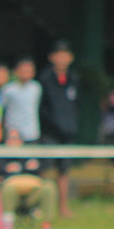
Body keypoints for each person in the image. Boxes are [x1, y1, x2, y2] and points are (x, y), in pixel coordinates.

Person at [38, 39, 79, 217]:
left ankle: (63, 207)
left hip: (67, 133)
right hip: (49, 133)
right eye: (59, 54)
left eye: (65, 54)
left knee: (64, 171)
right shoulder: (44, 79)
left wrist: (70, 126)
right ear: (52, 57)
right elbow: (41, 108)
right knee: (45, 170)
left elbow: (77, 105)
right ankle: (42, 207)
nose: (62, 58)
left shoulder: (74, 79)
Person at [0, 129, 58, 229]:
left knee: (49, 186)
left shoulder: (29, 155)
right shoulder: (0, 156)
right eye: (10, 139)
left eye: (15, 139)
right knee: (8, 189)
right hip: (12, 196)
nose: (13, 142)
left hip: (31, 194)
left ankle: (47, 224)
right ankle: (7, 223)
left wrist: (34, 167)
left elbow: (41, 171)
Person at [1, 56, 42, 145]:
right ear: (16, 71)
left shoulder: (36, 88)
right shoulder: (8, 89)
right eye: (23, 71)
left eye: (28, 71)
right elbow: (2, 108)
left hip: (31, 133)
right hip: (13, 133)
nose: (25, 74)